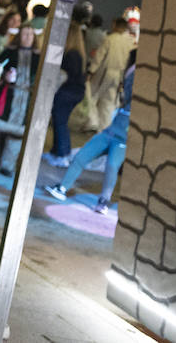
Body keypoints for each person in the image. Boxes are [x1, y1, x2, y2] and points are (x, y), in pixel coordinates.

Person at [45, 50, 136, 213]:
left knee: (112, 166)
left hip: (123, 137)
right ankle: (62, 189)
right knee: (83, 156)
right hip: (112, 131)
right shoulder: (129, 74)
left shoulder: (136, 75)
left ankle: (103, 201)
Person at [0, 24, 39, 176]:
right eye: (25, 34)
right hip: (7, 96)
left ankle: (7, 165)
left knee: (17, 135)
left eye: (31, 34)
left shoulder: (39, 58)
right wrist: (4, 76)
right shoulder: (8, 52)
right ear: (19, 36)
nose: (28, 37)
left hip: (26, 100)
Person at [44, 19, 89, 166]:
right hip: (74, 92)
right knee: (60, 121)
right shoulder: (78, 54)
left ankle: (62, 154)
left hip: (67, 92)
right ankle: (57, 152)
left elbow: (65, 75)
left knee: (60, 121)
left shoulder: (71, 54)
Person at [89, 16, 137, 130]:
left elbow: (99, 56)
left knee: (93, 97)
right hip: (120, 75)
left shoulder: (110, 38)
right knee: (109, 102)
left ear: (115, 25)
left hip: (104, 73)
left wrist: (91, 71)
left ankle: (92, 122)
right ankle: (104, 127)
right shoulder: (130, 42)